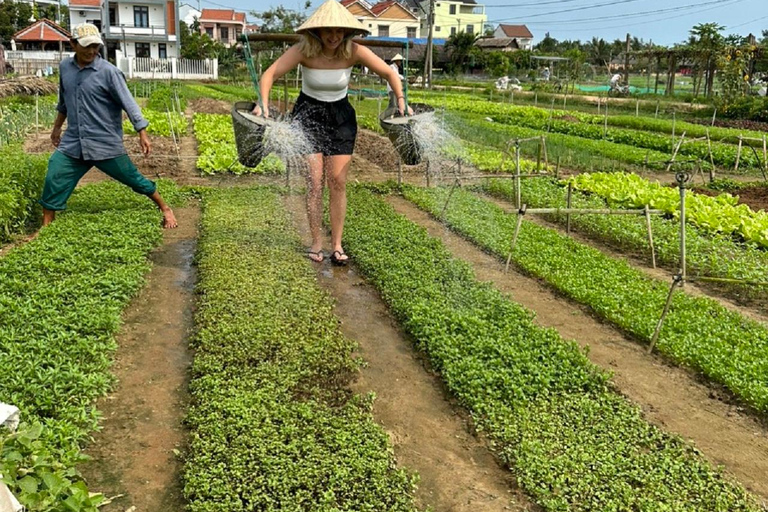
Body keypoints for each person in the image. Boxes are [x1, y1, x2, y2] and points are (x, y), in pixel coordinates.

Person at [251, 0, 408, 265]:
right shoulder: (304, 50)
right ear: (317, 32)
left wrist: (401, 99)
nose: (334, 37)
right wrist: (263, 103)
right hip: (308, 116)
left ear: (346, 32)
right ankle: (315, 242)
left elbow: (389, 74)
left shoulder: (353, 51)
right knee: (315, 182)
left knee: (337, 181)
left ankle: (336, 244)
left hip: (341, 118)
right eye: (328, 31)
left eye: (339, 31)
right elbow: (269, 74)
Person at [38, 23, 177, 232]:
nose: (92, 51)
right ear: (73, 44)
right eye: (87, 46)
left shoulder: (110, 73)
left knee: (134, 180)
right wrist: (57, 128)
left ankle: (165, 208)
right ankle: (46, 228)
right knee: (54, 175)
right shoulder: (65, 68)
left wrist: (142, 132)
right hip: (74, 141)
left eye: (96, 46)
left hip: (104, 142)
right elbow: (63, 102)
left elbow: (129, 103)